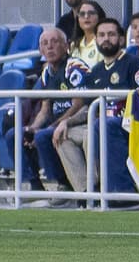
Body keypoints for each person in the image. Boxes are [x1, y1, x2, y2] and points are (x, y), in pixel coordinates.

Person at [53, 18, 139, 195]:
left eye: (111, 35)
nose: (106, 39)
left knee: (95, 130)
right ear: (95, 39)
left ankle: (107, 188)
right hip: (98, 123)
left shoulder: (133, 64)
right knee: (63, 136)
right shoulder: (95, 71)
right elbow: (89, 108)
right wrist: (67, 121)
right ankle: (87, 191)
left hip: (126, 125)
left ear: (121, 39)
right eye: (102, 35)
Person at [26, 28, 92, 196]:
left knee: (44, 136)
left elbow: (79, 104)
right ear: (40, 50)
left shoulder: (74, 67)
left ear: (66, 46)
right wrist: (33, 128)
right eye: (45, 44)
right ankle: (34, 186)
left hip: (78, 120)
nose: (50, 47)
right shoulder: (46, 73)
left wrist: (52, 126)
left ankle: (63, 185)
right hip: (57, 121)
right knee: (18, 135)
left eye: (55, 42)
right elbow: (45, 109)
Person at [68, 0, 106, 67]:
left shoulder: (104, 42)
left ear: (99, 16)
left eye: (91, 13)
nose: (86, 17)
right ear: (78, 19)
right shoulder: (73, 45)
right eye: (82, 14)